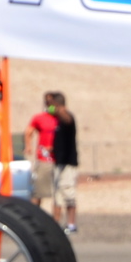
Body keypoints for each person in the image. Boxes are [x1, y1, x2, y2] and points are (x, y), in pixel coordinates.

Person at [24, 93, 59, 210]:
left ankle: (56, 218)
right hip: (44, 159)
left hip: (59, 159)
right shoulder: (39, 118)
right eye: (47, 102)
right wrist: (28, 146)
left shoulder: (61, 119)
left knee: (58, 194)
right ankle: (34, 214)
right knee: (38, 192)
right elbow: (29, 131)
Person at [49, 93, 79, 232]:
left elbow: (68, 120)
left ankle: (71, 224)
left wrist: (58, 109)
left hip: (68, 164)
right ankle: (56, 224)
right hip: (58, 163)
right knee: (57, 195)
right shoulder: (57, 121)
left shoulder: (67, 117)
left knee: (68, 193)